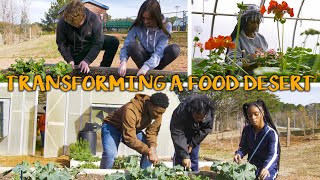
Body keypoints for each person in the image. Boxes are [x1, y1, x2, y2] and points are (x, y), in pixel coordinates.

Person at [100, 93, 169, 169]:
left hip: (132, 129)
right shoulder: (130, 109)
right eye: (157, 112)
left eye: (162, 113)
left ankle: (145, 175)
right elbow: (129, 139)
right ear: (150, 105)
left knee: (150, 148)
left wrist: (152, 148)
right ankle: (104, 175)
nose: (159, 116)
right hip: (112, 127)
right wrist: (149, 151)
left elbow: (152, 132)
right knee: (110, 154)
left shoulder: (158, 111)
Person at [118, 0, 180, 77]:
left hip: (158, 59)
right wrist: (123, 62)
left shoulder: (167, 26)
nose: (145, 22)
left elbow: (159, 51)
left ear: (156, 17)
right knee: (132, 45)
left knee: (175, 49)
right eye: (143, 18)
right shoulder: (138, 24)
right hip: (143, 56)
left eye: (149, 19)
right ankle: (148, 73)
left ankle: (153, 72)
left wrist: (146, 67)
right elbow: (127, 44)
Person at [56, 0, 119, 74]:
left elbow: (98, 42)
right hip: (76, 49)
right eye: (72, 25)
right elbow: (61, 44)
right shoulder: (62, 22)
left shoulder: (94, 19)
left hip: (90, 43)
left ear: (84, 16)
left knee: (113, 41)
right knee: (79, 71)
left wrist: (87, 60)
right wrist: (69, 60)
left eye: (78, 24)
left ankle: (103, 69)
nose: (75, 26)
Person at [234, 100, 280, 180]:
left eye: (256, 114)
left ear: (262, 113)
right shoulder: (247, 130)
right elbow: (244, 147)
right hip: (251, 168)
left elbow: (273, 154)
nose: (253, 118)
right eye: (250, 115)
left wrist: (266, 167)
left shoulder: (271, 133)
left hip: (268, 169)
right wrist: (239, 154)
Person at [170, 94, 214, 172]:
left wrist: (192, 144)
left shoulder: (209, 111)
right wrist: (184, 155)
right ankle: (177, 174)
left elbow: (206, 129)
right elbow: (177, 132)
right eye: (197, 117)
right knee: (180, 155)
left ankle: (194, 175)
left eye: (202, 118)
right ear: (192, 111)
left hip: (196, 132)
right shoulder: (181, 111)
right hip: (182, 130)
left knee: (194, 154)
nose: (199, 119)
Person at [226, 4, 268, 74]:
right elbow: (233, 65)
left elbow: (266, 55)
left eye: (258, 22)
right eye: (252, 22)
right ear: (244, 22)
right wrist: (254, 65)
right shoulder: (237, 40)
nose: (256, 25)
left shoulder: (261, 38)